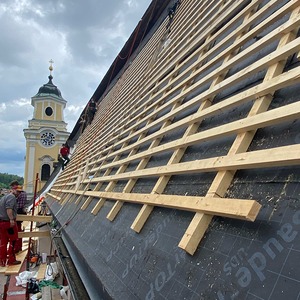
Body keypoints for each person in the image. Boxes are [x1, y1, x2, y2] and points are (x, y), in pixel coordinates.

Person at [0, 186, 22, 266]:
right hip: (8, 223)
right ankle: (11, 260)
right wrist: (11, 219)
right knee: (13, 241)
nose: (19, 193)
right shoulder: (12, 197)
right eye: (17, 191)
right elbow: (9, 209)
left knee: (3, 242)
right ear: (12, 190)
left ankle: (2, 261)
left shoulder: (4, 197)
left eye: (20, 192)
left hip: (2, 223)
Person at [10, 181, 27, 252]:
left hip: (18, 211)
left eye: (13, 187)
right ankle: (18, 247)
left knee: (16, 230)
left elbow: (15, 202)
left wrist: (13, 194)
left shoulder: (21, 194)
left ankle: (16, 247)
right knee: (18, 230)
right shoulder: (24, 193)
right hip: (20, 211)